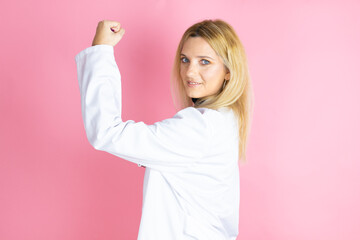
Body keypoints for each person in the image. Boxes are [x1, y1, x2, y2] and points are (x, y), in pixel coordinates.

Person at [75, 19, 254, 240]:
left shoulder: (200, 126)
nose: (190, 71)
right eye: (185, 60)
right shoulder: (226, 119)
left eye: (204, 62)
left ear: (228, 71)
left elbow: (106, 132)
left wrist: (100, 51)